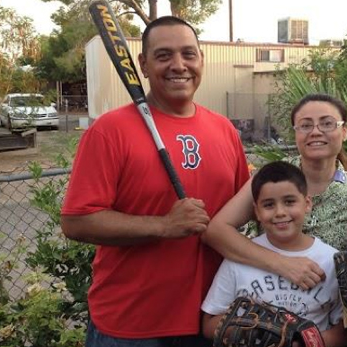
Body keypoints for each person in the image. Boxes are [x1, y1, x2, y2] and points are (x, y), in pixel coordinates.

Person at [60, 16, 250, 346]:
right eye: (164, 56)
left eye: (189, 54)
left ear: (201, 60)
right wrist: (163, 226)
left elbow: (241, 210)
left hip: (212, 318)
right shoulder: (109, 131)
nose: (179, 65)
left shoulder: (225, 131)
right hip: (132, 325)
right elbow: (77, 221)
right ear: (143, 65)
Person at [203, 93, 347, 308]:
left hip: (324, 317)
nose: (316, 131)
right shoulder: (272, 177)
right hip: (264, 309)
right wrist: (282, 264)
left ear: (344, 132)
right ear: (295, 133)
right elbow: (216, 231)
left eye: (327, 123)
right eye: (305, 125)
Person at [201, 161, 347, 346]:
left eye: (289, 202)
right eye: (269, 205)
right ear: (256, 211)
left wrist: (302, 342)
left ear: (307, 203)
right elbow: (209, 325)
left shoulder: (331, 261)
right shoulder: (239, 258)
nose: (280, 212)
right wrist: (253, 329)